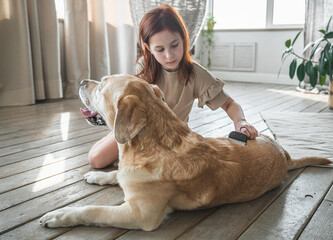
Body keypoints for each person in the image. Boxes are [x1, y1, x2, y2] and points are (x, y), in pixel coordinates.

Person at [87, 5, 258, 169]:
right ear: (148, 48)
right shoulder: (143, 68)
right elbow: (130, 104)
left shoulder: (197, 74)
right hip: (141, 130)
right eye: (160, 49)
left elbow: (229, 104)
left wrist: (240, 121)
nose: (169, 55)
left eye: (174, 45)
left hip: (174, 138)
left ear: (184, 39)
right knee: (96, 159)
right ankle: (113, 134)